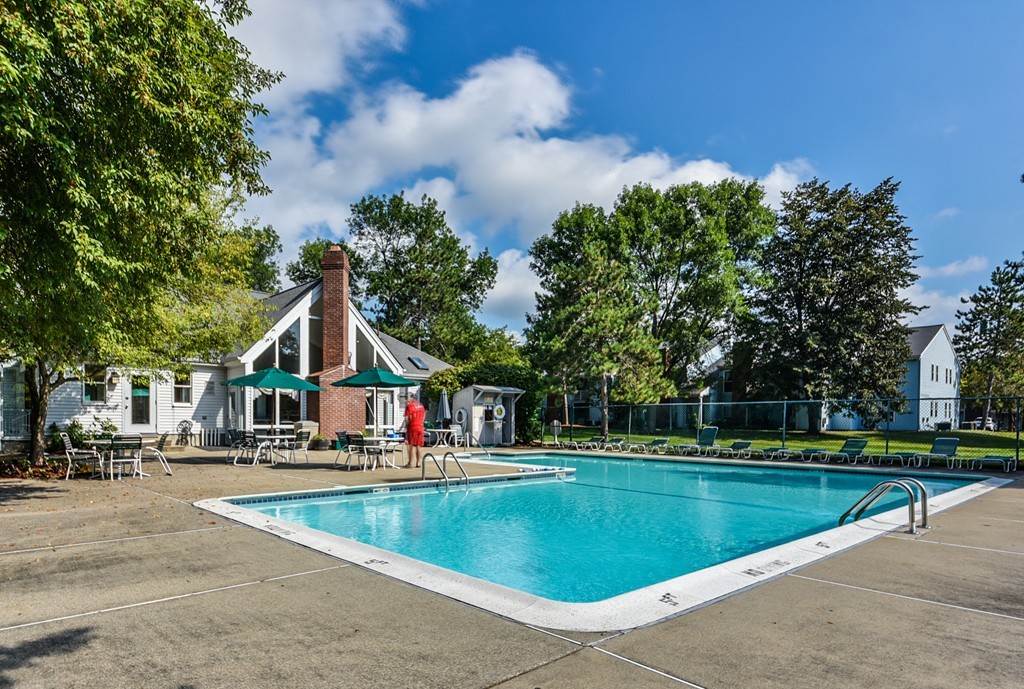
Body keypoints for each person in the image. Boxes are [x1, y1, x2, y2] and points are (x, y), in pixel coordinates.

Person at [402, 397, 426, 468]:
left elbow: (408, 418)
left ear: (409, 401)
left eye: (406, 402)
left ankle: (410, 463)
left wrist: (406, 425)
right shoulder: (421, 405)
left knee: (412, 446)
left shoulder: (409, 406)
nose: (406, 403)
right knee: (418, 446)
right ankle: (418, 463)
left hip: (412, 428)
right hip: (420, 427)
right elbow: (424, 417)